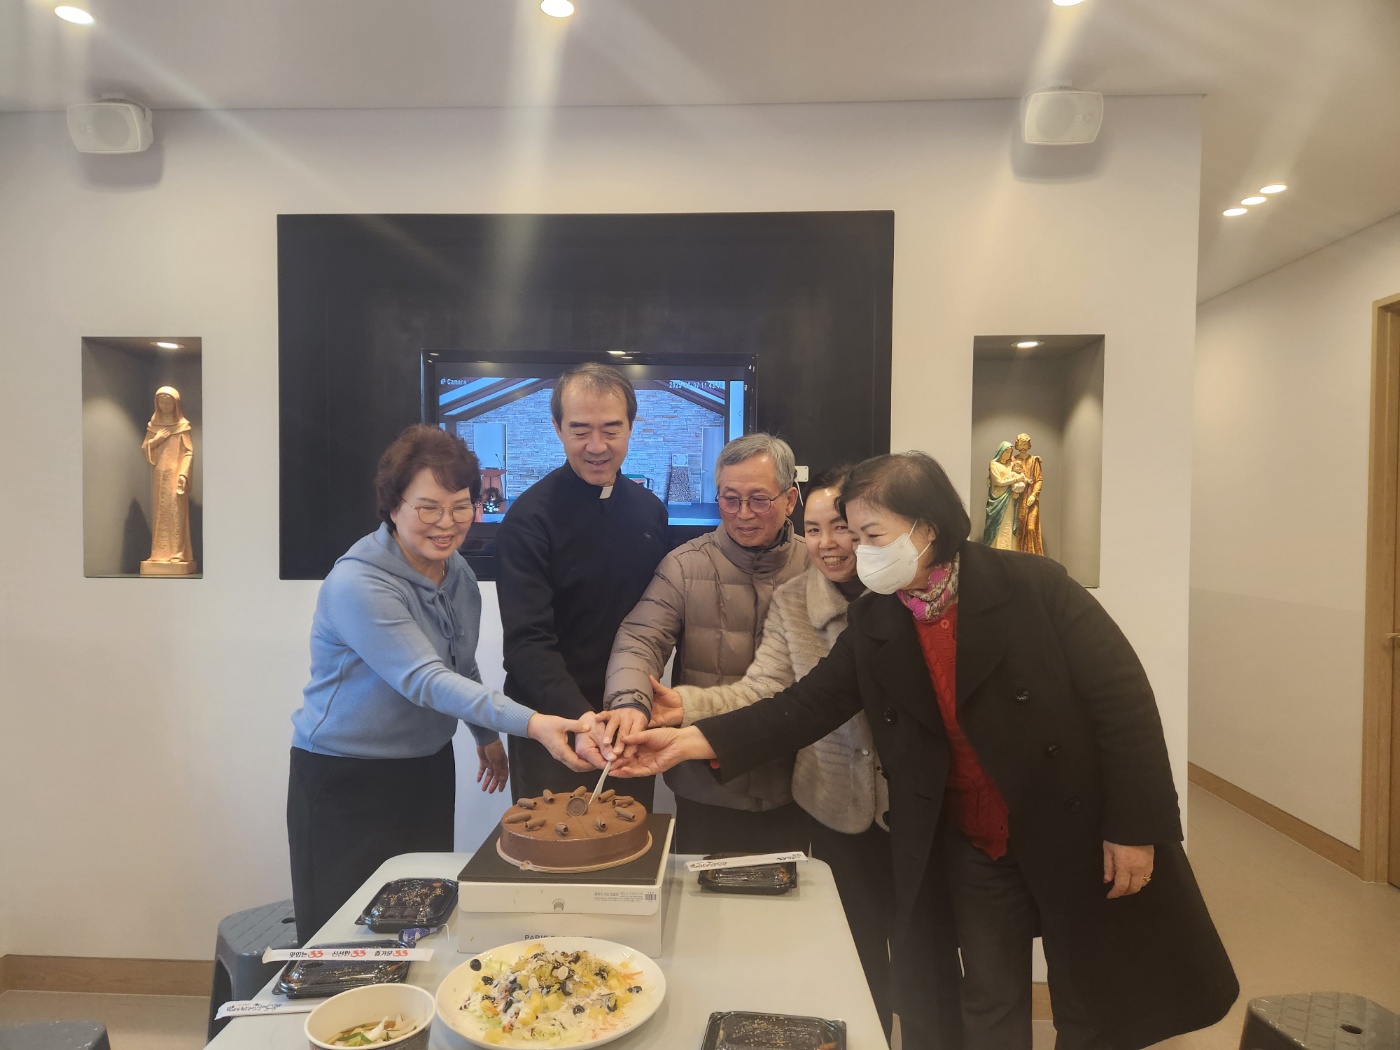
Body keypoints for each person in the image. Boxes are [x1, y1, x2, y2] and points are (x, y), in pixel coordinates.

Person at [599, 451, 1239, 1050]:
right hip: (974, 840)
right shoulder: (881, 616)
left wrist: (1135, 827)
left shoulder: (1033, 585)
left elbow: (1123, 702)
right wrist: (686, 742)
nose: (856, 551)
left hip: (1070, 828)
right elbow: (806, 705)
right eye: (853, 535)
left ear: (926, 529)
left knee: (1094, 996)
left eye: (871, 535)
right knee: (988, 992)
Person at [287, 425, 595, 944]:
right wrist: (533, 723)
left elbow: (458, 662)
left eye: (461, 506)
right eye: (428, 508)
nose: (447, 523)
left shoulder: (457, 575)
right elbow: (425, 680)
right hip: (345, 780)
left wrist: (485, 736)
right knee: (346, 941)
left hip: (426, 769)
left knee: (418, 926)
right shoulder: (359, 583)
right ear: (393, 507)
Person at [646, 466, 896, 1038]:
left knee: (921, 953)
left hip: (911, 804)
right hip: (835, 804)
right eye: (816, 529)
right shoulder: (792, 599)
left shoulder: (903, 598)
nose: (829, 544)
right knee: (851, 948)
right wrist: (683, 706)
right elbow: (765, 691)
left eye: (843, 528)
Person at [604, 433, 809, 854]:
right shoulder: (684, 565)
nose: (743, 514)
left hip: (795, 778)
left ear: (789, 500)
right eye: (730, 499)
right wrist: (629, 702)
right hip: (706, 782)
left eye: (759, 500)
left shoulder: (816, 567)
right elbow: (639, 640)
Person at [496, 363, 669, 807]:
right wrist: (582, 719)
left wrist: (631, 706)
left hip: (628, 719)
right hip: (553, 722)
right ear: (557, 429)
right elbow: (527, 643)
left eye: (611, 429)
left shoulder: (650, 511)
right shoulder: (529, 519)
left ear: (631, 427)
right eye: (580, 430)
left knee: (631, 837)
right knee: (550, 842)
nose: (597, 446)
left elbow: (656, 621)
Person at [140, 386, 195, 572]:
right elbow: (146, 449)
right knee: (160, 512)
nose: (164, 406)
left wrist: (183, 474)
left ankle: (178, 553)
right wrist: (157, 439)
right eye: (161, 402)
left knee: (176, 511)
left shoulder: (183, 426)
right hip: (159, 476)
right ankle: (159, 553)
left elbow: (188, 452)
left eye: (168, 403)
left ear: (175, 404)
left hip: (176, 475)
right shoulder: (153, 427)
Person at [981, 440, 1024, 550]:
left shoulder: (1010, 465)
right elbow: (998, 482)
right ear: (1000, 452)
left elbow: (1021, 467)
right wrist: (1016, 479)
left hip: (1008, 499)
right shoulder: (993, 464)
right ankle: (994, 550)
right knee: (995, 524)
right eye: (1006, 452)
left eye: (1010, 452)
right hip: (997, 499)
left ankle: (1008, 549)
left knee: (1007, 522)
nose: (1008, 455)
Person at [1013, 432, 1044, 555]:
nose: (1023, 447)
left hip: (1031, 498)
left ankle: (1033, 556)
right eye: (1021, 444)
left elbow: (1039, 479)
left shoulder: (1034, 460)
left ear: (1029, 445)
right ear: (1017, 445)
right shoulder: (1013, 460)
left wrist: (1034, 495)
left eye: (1025, 444)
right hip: (1017, 499)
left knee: (1031, 528)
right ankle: (1018, 557)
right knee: (1018, 528)